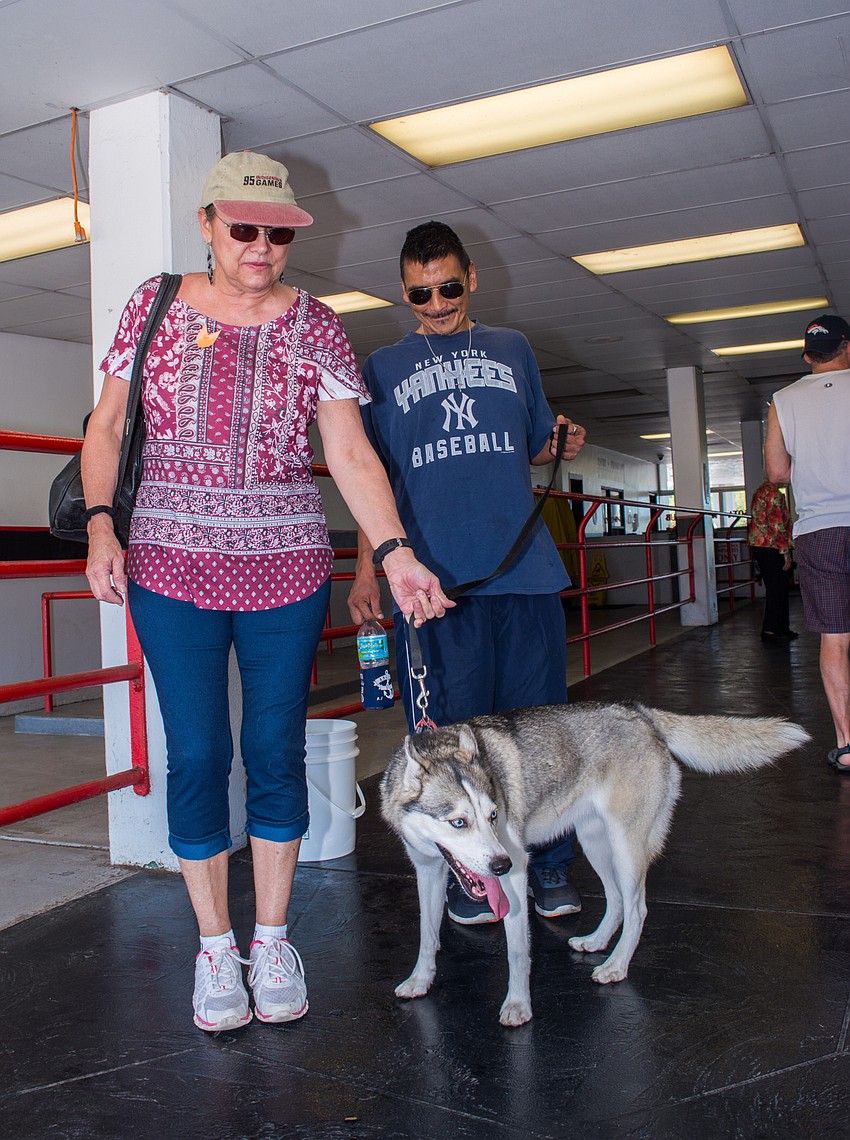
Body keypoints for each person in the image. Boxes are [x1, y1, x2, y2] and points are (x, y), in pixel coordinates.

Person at [81, 152, 453, 1033]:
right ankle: (216, 946)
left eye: (278, 232)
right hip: (169, 562)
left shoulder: (318, 325)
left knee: (276, 750)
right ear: (208, 224)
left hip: (284, 564)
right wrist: (102, 523)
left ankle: (273, 936)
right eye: (243, 227)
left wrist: (396, 552)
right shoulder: (155, 303)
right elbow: (106, 424)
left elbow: (352, 454)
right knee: (199, 753)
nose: (261, 245)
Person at [347, 220, 587, 924]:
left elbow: (535, 446)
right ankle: (475, 878)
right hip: (432, 589)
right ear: (404, 292)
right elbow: (372, 481)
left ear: (471, 278)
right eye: (421, 293)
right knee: (453, 746)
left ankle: (550, 868)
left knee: (538, 736)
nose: (437, 303)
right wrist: (368, 574)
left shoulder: (512, 349)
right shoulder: (383, 368)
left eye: (449, 287)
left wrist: (561, 441)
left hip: (523, 574)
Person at [765, 313, 850, 773]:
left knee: (835, 639)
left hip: (819, 531)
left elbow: (777, 474)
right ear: (848, 348)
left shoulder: (783, 399)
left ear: (806, 355)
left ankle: (847, 743)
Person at [748, 478, 796, 642]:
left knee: (775, 587)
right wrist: (786, 553)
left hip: (760, 545)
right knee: (778, 588)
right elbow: (777, 526)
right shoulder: (775, 494)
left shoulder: (760, 491)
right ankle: (773, 628)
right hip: (772, 546)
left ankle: (778, 627)